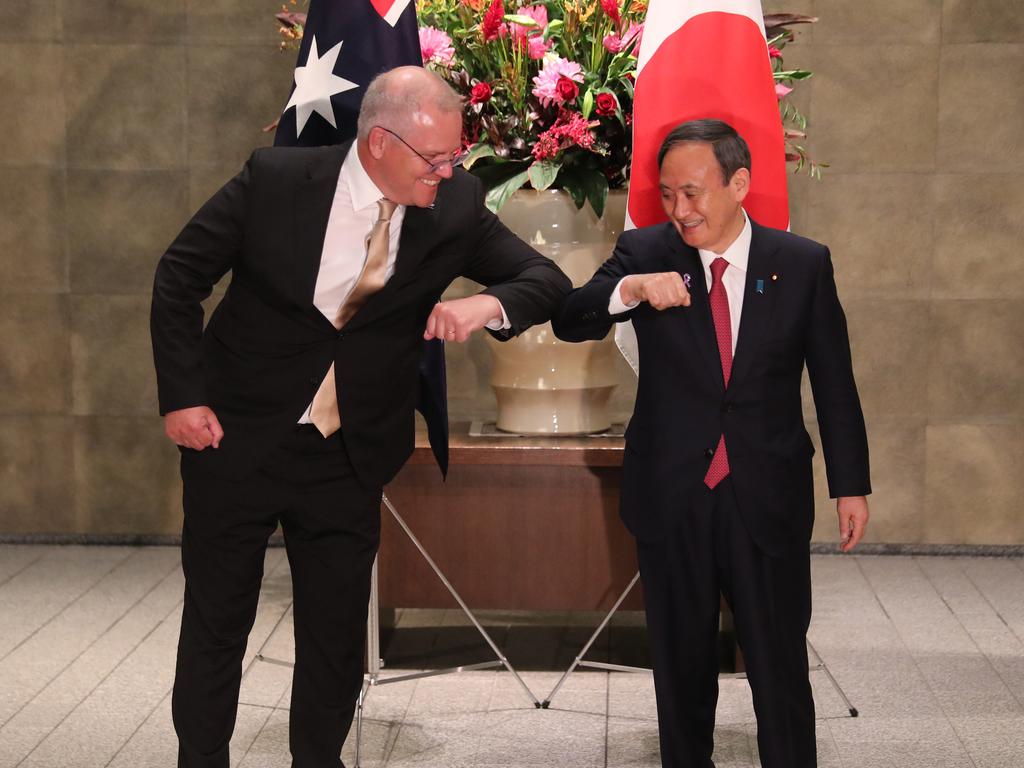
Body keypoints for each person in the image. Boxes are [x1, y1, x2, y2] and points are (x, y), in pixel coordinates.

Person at [150, 66, 571, 768]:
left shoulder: (455, 205)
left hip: (346, 452)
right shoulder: (277, 181)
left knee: (336, 634)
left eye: (455, 156)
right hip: (234, 437)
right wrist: (182, 397)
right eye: (433, 158)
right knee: (218, 622)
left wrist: (484, 305)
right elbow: (179, 277)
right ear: (379, 143)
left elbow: (546, 281)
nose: (448, 170)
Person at [552, 119, 870, 768]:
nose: (679, 210)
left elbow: (834, 381)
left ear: (740, 184)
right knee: (681, 674)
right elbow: (568, 316)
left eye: (693, 193)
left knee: (779, 670)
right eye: (668, 194)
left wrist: (850, 484)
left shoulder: (801, 264)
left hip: (766, 496)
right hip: (673, 499)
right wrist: (629, 290)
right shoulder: (645, 253)